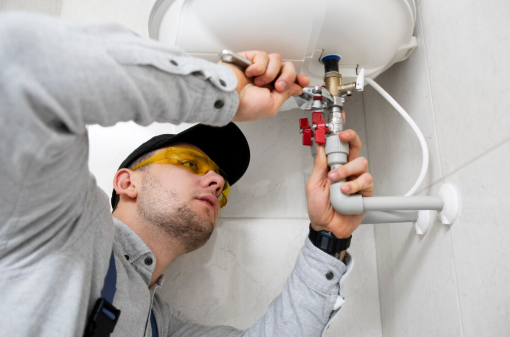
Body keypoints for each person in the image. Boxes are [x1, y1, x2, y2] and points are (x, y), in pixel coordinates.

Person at [0, 11, 373, 337]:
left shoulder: (158, 325)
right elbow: (20, 64)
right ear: (127, 182)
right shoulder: (61, 226)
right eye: (189, 163)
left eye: (222, 185)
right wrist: (221, 92)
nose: (215, 181)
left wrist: (327, 238)